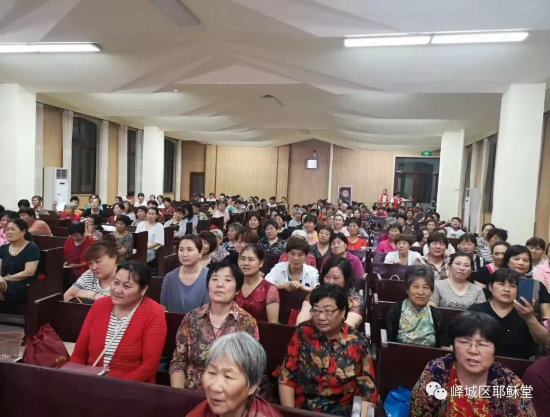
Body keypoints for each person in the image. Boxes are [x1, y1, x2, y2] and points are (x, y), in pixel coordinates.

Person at [409, 311, 536, 416]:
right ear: (453, 346)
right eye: (464, 342)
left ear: (495, 350)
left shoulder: (510, 383)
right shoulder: (436, 372)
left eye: (482, 344)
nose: (473, 350)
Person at [277, 284, 378, 415]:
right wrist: (290, 414)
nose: (321, 317)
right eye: (316, 310)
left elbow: (368, 392)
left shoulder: (357, 343)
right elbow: (286, 376)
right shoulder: (303, 332)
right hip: (302, 410)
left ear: (343, 312)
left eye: (328, 311)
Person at [70, 261, 167, 382]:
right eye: (115, 282)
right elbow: (79, 352)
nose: (117, 290)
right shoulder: (99, 305)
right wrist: (74, 380)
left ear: (143, 290)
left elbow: (149, 366)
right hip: (91, 382)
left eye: (126, 286)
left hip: (130, 386)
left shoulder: (154, 313)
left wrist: (117, 388)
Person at [169, 263, 259, 390]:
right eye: (215, 279)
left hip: (229, 395)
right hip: (192, 394)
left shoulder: (247, 322)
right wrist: (180, 396)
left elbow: (250, 369)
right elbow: (178, 363)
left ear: (237, 289)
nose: (219, 284)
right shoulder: (192, 318)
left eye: (227, 280)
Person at [188, 332, 283, 417]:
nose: (215, 387)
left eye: (228, 376)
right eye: (212, 372)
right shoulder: (200, 412)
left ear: (252, 387)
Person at [469, 268, 549, 359]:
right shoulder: (476, 311)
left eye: (512, 286)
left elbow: (544, 340)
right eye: (501, 284)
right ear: (490, 287)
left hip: (519, 367)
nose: (507, 289)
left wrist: (529, 318)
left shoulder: (526, 313)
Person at [386, 266, 449, 347]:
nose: (420, 292)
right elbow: (389, 346)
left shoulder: (438, 317)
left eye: (426, 287)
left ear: (431, 291)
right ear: (407, 289)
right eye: (416, 287)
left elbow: (443, 348)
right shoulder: (394, 312)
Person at [296, 257, 364, 329]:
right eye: (327, 277)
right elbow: (303, 316)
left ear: (346, 279)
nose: (330, 282)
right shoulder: (315, 293)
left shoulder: (355, 300)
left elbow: (349, 326)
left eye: (336, 278)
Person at [161, 235, 210, 314]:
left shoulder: (209, 277)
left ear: (200, 253)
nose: (184, 254)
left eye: (189, 250)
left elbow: (208, 311)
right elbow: (163, 308)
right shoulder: (169, 277)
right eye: (181, 250)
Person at [502, 245, 550, 319]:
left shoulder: (537, 285)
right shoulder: (498, 282)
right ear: (507, 262)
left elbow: (546, 316)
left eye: (526, 260)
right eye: (516, 259)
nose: (521, 263)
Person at [236, 245, 280, 323]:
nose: (246, 263)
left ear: (261, 263)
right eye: (242, 259)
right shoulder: (234, 284)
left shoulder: (269, 289)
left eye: (251, 260)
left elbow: (272, 326)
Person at [0, 219, 41, 303]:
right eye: (7, 229)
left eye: (13, 229)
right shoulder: (3, 248)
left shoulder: (32, 248)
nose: (9, 232)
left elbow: (29, 272)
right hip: (3, 282)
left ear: (23, 232)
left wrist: (6, 278)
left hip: (23, 284)